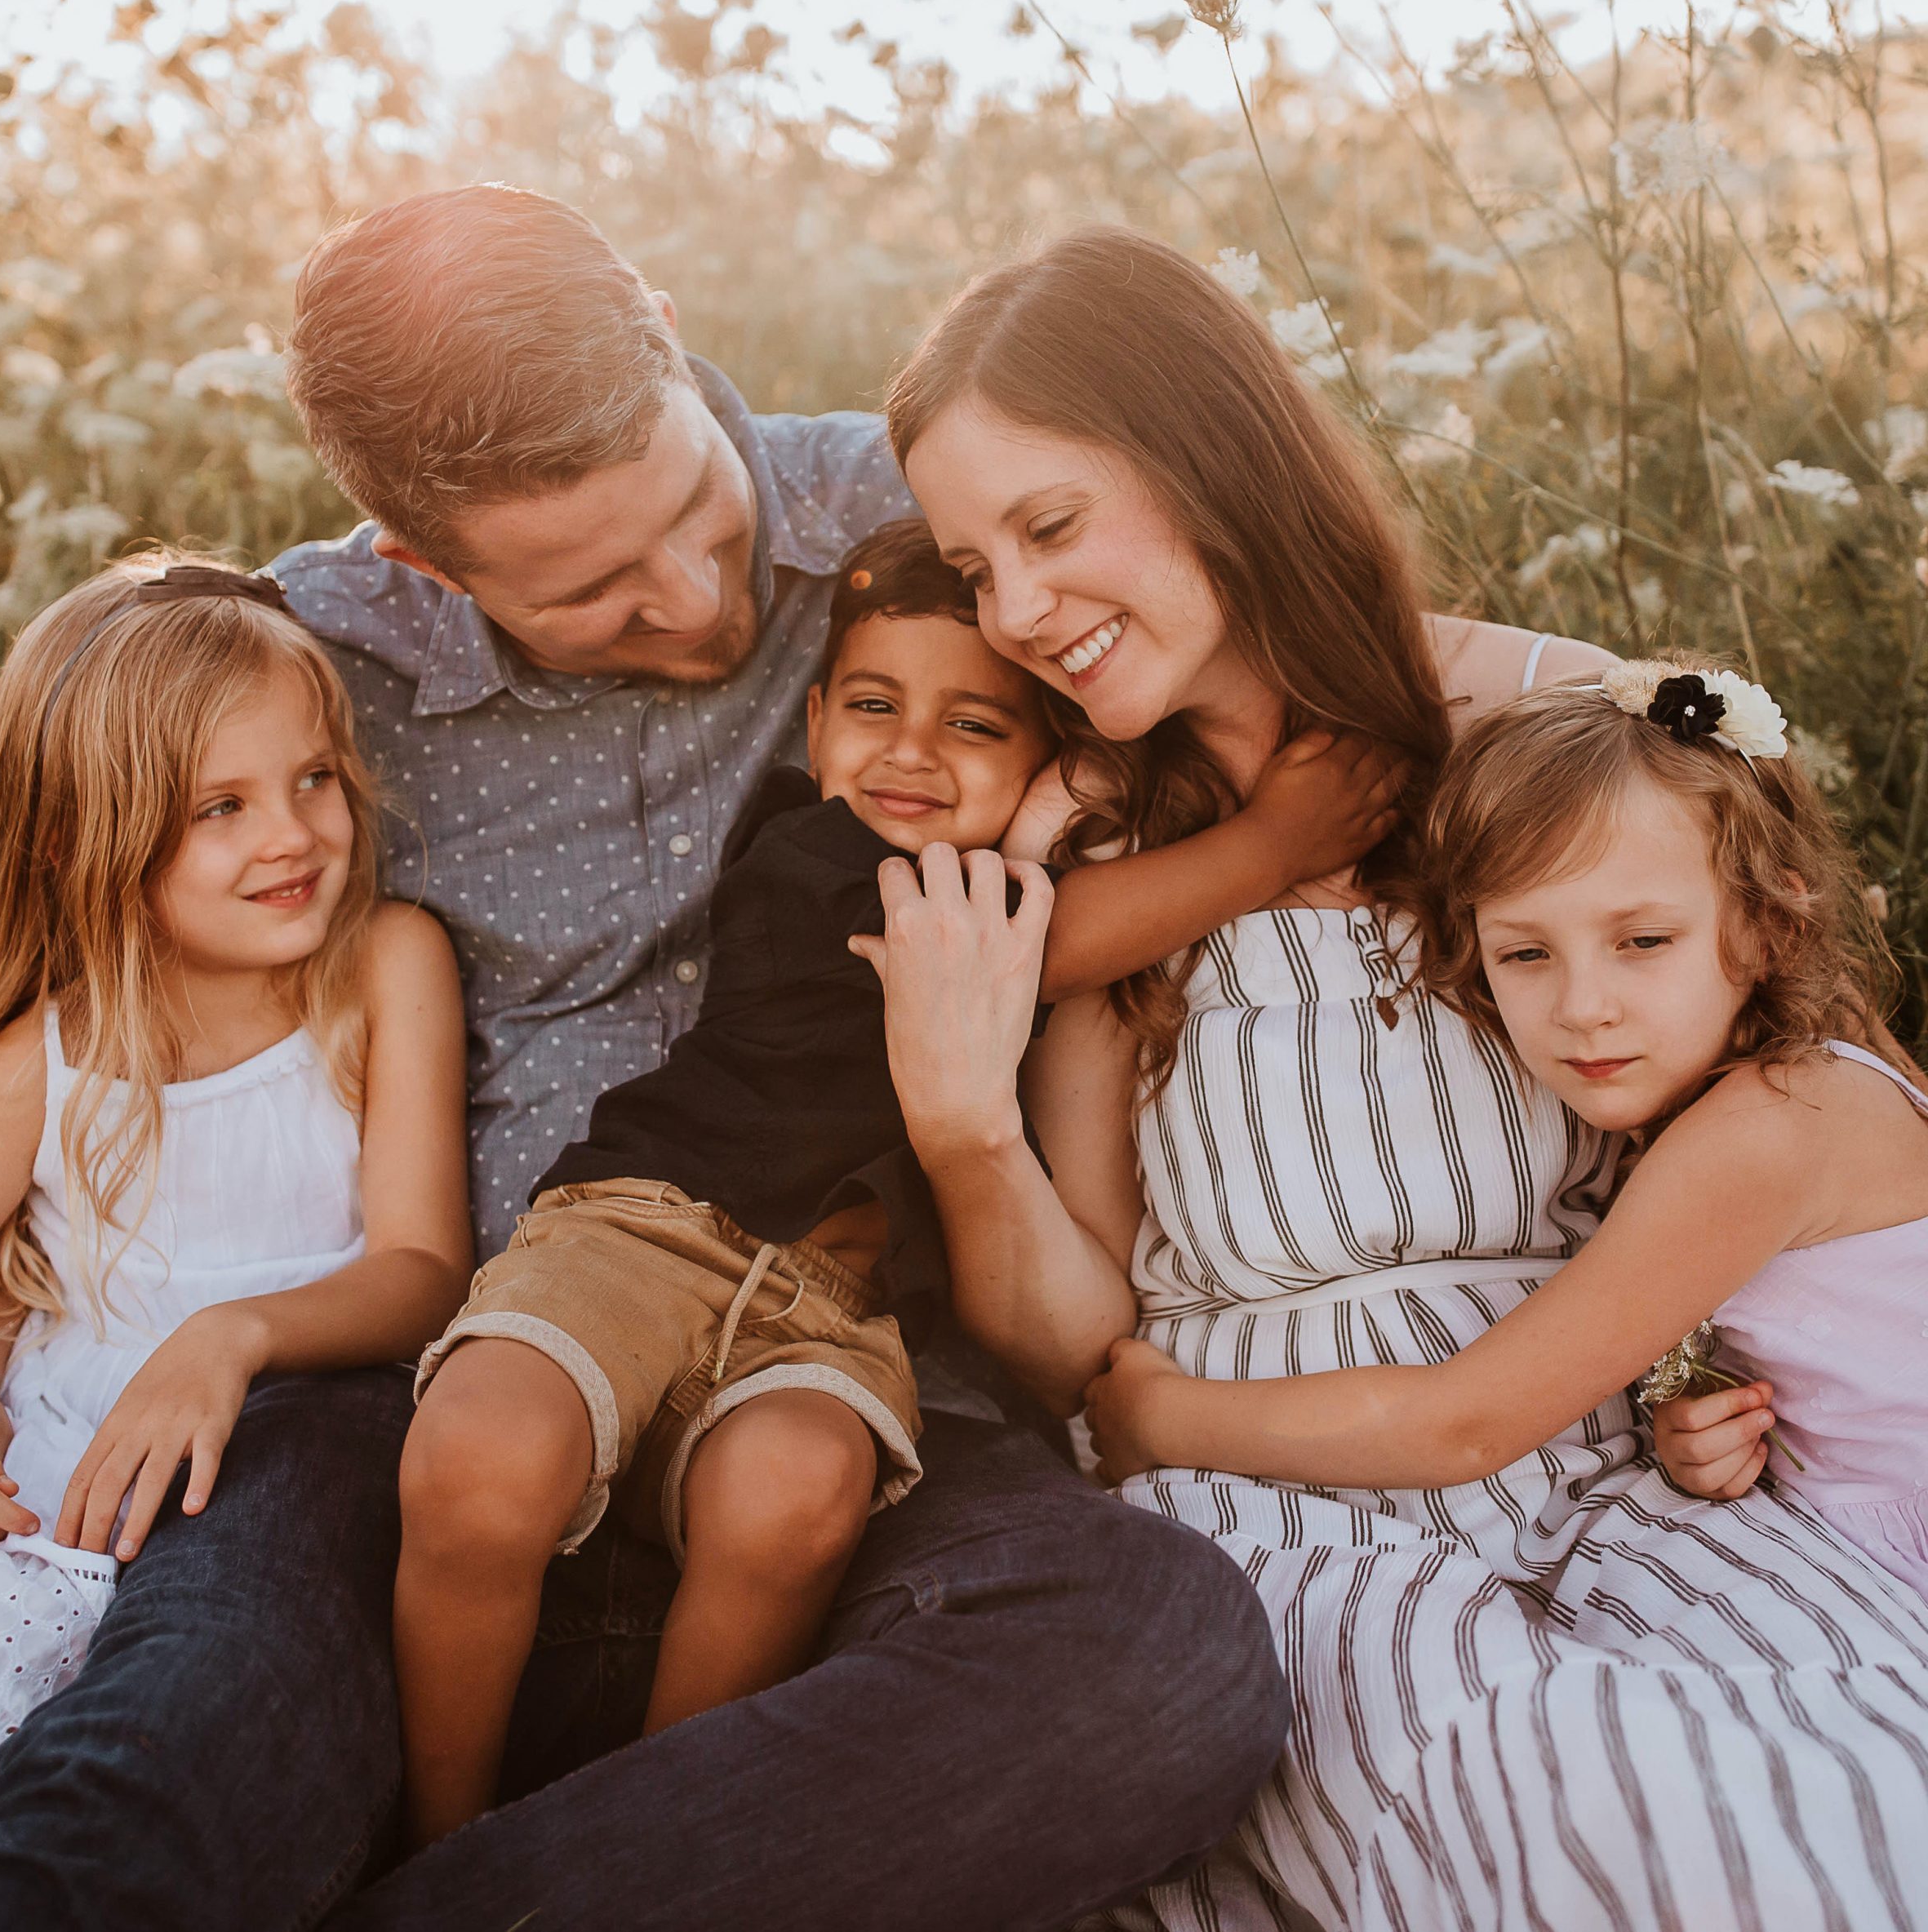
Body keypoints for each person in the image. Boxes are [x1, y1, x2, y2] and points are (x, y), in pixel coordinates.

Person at [0, 189, 1288, 1932]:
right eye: (597, 590)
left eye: (695, 510)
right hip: (412, 1391)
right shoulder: (313, 674)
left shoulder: (929, 529)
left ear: (674, 345)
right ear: (422, 568)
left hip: (840, 1366)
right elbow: (91, 991)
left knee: (1160, 1657)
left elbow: (1269, 644)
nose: (691, 601)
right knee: (187, 1726)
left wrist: (1646, 711)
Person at [870, 224, 1928, 1930]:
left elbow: (1785, 1099)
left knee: (1860, 1764)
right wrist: (956, 1124)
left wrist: (1692, 1366)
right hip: (1277, 1487)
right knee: (1593, 1810)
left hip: (1606, 1456)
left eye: (1048, 527)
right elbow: (1076, 1335)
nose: (1016, 612)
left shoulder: (1561, 727)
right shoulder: (1087, 837)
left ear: (1204, 458)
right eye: (971, 563)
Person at [396, 520, 1400, 1844]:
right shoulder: (813, 856)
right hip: (647, 1229)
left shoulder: (1001, 871)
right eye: (874, 705)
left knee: (796, 1493)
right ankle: (438, 1832)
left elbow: (1038, 909)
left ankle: (624, 1842)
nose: (913, 749)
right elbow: (1030, 949)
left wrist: (1052, 815)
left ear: (1050, 760)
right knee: (483, 1452)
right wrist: (1270, 843)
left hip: (832, 1311)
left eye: (976, 726)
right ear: (816, 728)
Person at [0, 557, 471, 1887]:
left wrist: (229, 1335)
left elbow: (420, 1266)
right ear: (88, 836)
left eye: (313, 777)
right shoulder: (43, 1059)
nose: (293, 833)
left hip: (281, 1465)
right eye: (220, 807)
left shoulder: (383, 967)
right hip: (49, 1492)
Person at [1085, 657, 1928, 1606]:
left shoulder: (1773, 1126)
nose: (1583, 1007)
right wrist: (1689, 1425)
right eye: (1525, 953)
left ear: (1771, 924)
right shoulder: (1716, 1102)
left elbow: (1463, 1428)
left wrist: (1160, 1420)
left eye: (1642, 941)